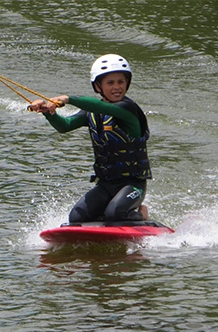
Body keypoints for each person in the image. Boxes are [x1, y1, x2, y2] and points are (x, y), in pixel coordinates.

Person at [30, 54, 152, 223]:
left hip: (133, 185)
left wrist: (68, 98)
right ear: (97, 86)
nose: (117, 87)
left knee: (115, 214)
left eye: (121, 82)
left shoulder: (129, 109)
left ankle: (141, 214)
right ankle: (108, 214)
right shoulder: (91, 113)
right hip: (105, 184)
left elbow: (102, 106)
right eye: (110, 83)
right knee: (76, 218)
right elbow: (65, 126)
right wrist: (48, 113)